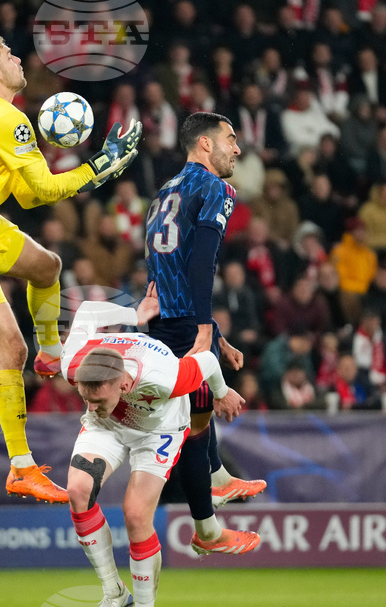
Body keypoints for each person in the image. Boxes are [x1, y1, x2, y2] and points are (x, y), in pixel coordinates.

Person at [0, 30, 142, 503]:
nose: (19, 58)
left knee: (47, 267)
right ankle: (21, 467)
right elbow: (50, 191)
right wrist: (100, 165)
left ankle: (52, 353)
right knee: (9, 351)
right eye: (9, 54)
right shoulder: (7, 119)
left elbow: (29, 195)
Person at [63, 301, 256, 607]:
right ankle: (113, 592)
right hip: (110, 425)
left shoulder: (164, 375)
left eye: (97, 396)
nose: (89, 403)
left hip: (159, 431)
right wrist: (132, 315)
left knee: (136, 517)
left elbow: (210, 362)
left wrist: (220, 393)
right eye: (85, 396)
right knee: (77, 490)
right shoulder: (75, 365)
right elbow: (88, 311)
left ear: (123, 382)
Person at [144, 112, 267, 536]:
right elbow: (201, 264)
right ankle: (207, 529)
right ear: (205, 145)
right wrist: (203, 329)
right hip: (183, 326)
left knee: (195, 421)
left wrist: (216, 333)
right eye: (230, 139)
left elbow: (168, 269)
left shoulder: (164, 191)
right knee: (196, 425)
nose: (237, 148)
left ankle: (217, 482)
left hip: (162, 323)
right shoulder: (216, 188)